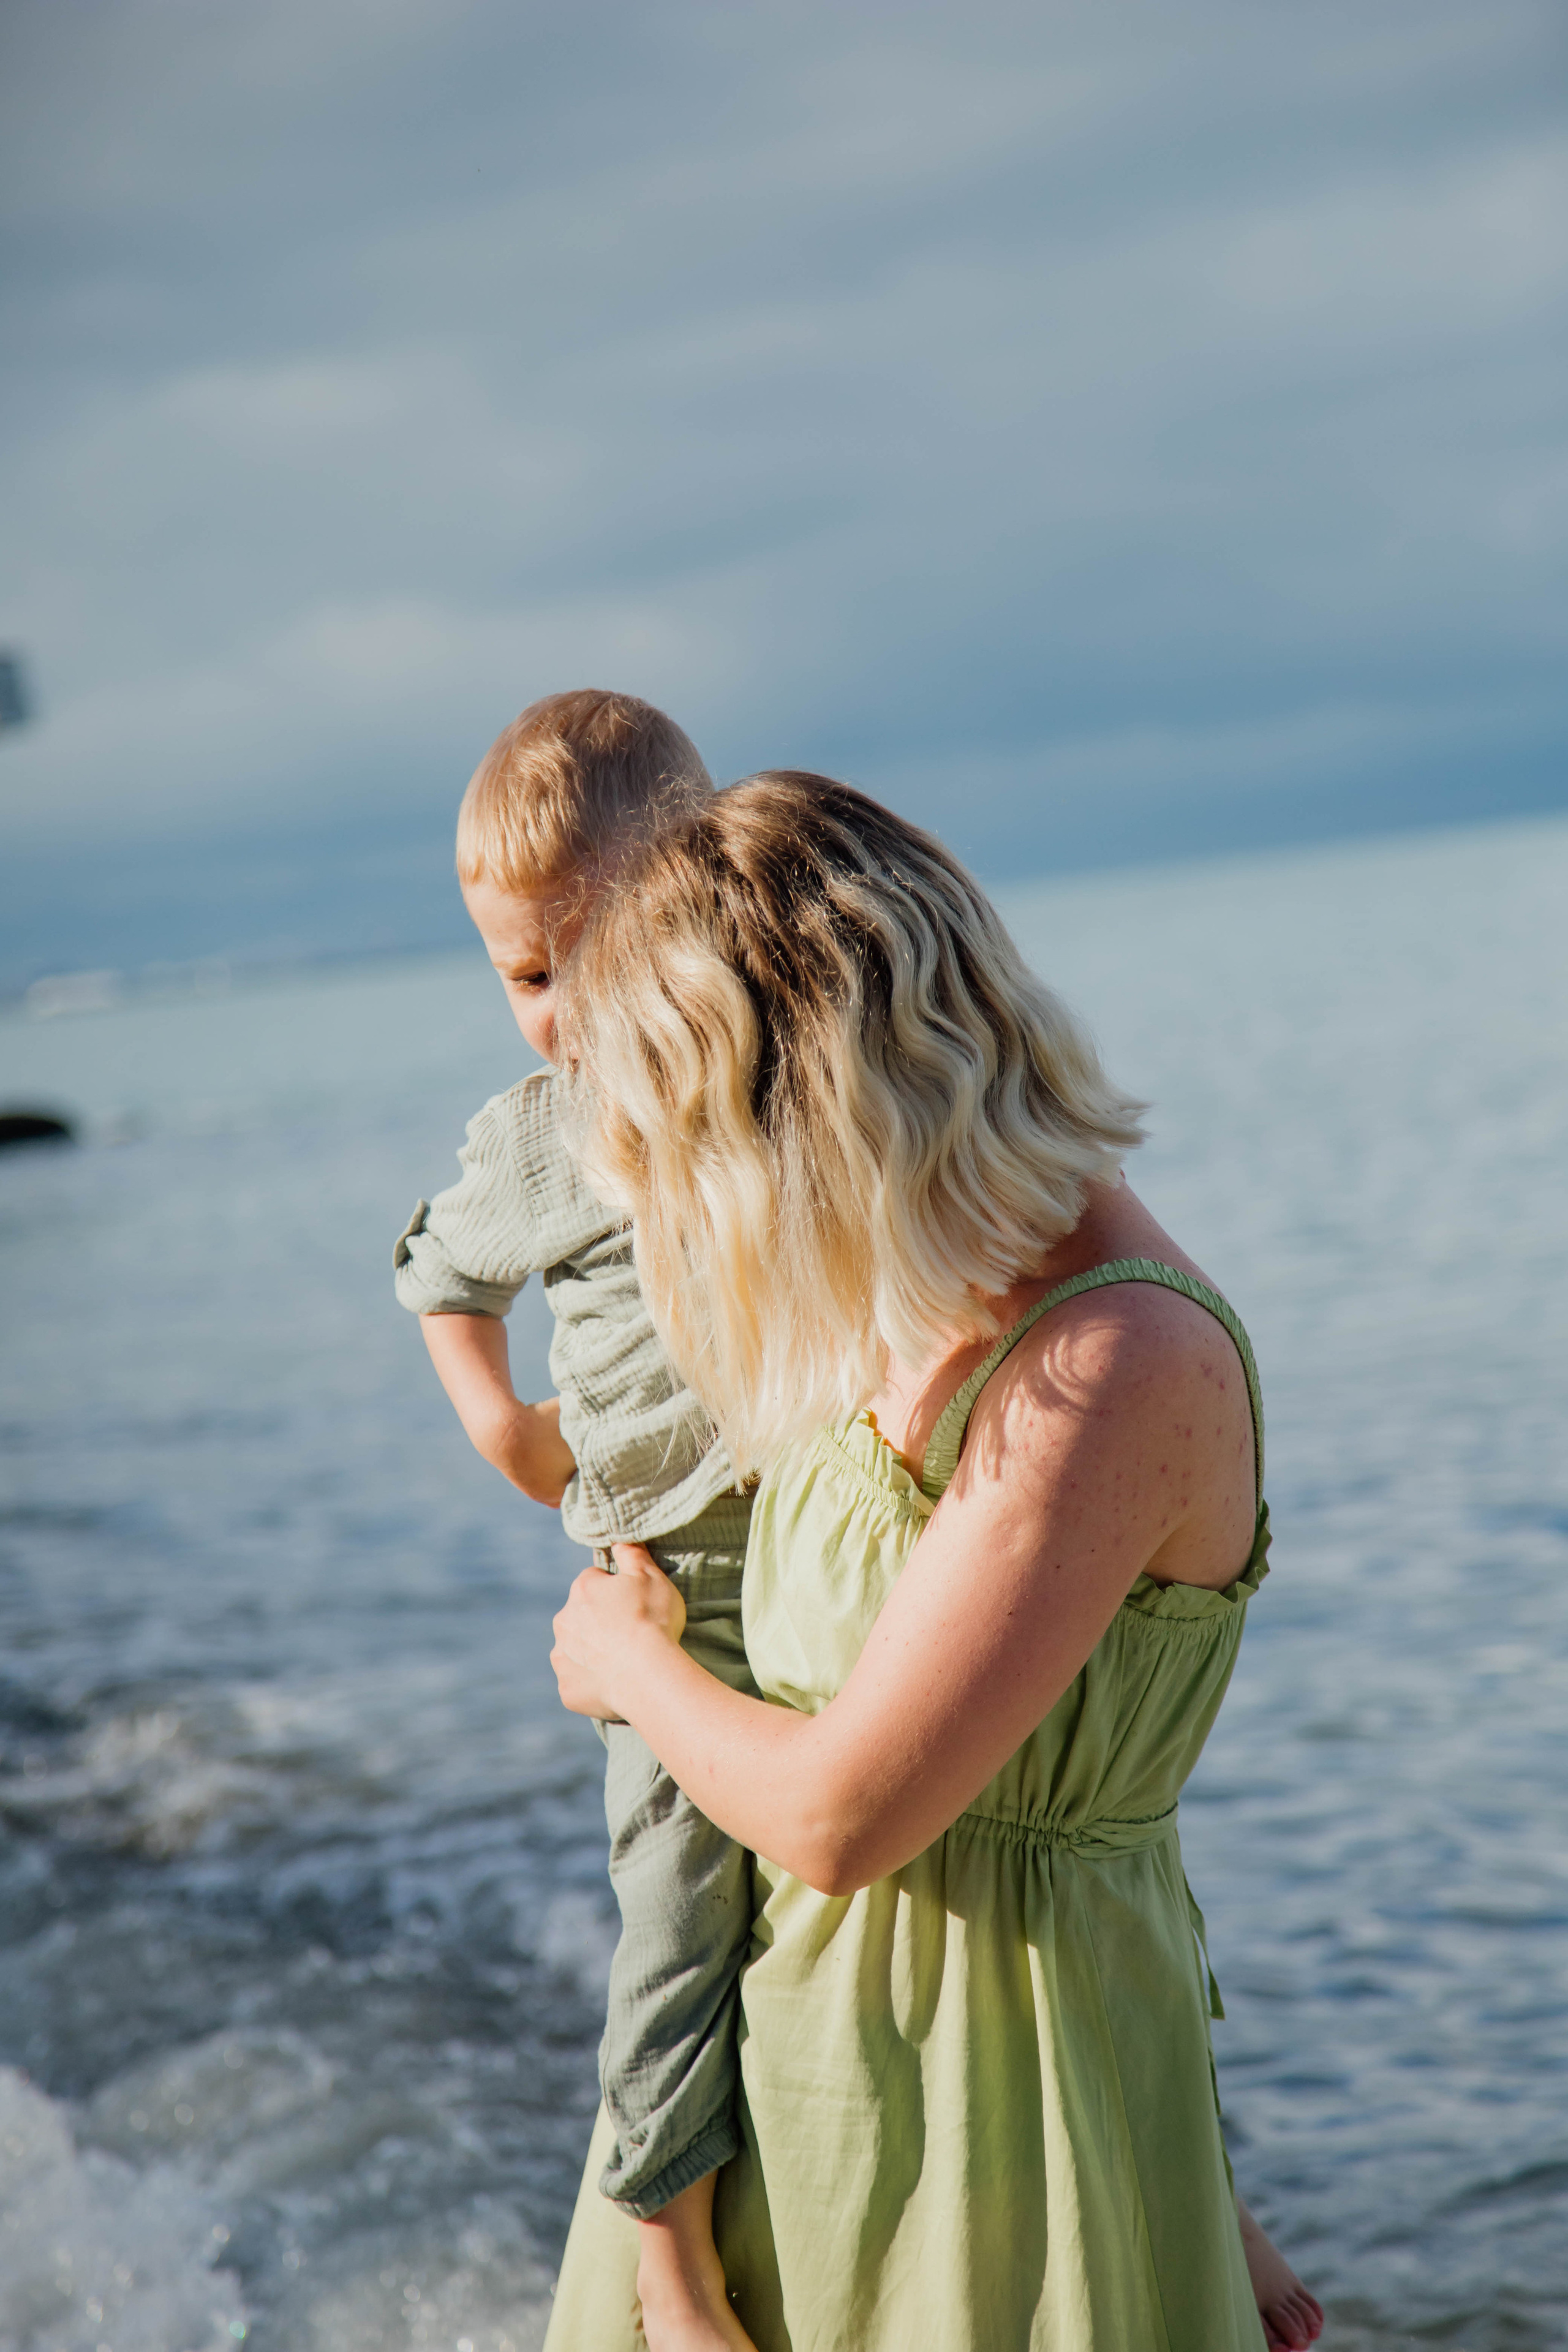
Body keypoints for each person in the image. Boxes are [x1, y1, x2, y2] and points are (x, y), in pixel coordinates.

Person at [545, 772, 1325, 2351]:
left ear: (816, 1100)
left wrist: (628, 1666)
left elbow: (845, 1815)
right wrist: (663, 2219)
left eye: (709, 1136)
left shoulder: (1119, 1361)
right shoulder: (902, 1293)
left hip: (1003, 2151)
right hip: (782, 2083)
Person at [392, 690, 769, 2346]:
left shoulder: (772, 1068)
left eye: (592, 959)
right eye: (524, 977)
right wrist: (501, 1427)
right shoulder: (539, 1139)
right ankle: (668, 2251)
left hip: (826, 1540)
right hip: (663, 1585)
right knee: (679, 1909)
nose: (557, 1009)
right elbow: (435, 1275)